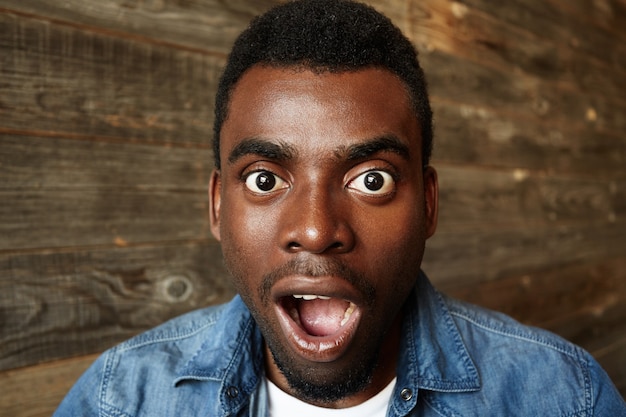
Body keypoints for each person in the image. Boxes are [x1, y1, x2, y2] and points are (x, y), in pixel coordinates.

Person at [55, 0, 625, 415]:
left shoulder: (566, 394)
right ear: (216, 205)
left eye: (371, 179)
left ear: (427, 205)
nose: (315, 228)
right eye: (263, 178)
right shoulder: (117, 399)